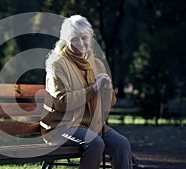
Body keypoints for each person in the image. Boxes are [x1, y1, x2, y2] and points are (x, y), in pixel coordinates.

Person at [40, 15, 133, 169]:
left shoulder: (96, 63)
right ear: (66, 40)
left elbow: (109, 105)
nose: (81, 43)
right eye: (74, 39)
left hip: (92, 126)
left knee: (122, 144)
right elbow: (62, 102)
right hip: (61, 127)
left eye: (84, 38)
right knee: (95, 143)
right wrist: (93, 89)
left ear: (91, 38)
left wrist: (108, 89)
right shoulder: (57, 64)